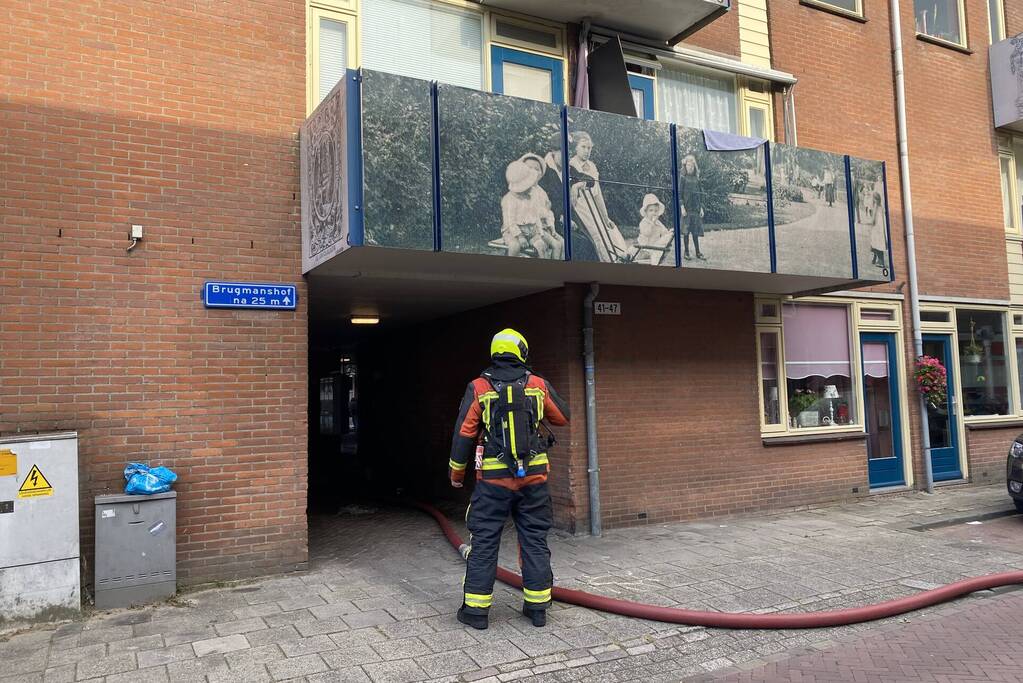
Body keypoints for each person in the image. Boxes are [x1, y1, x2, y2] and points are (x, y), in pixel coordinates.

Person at [449, 329, 570, 631]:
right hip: (534, 479)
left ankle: (476, 612)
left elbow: (464, 433)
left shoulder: (478, 387)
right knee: (534, 539)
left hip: (493, 482)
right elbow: (562, 417)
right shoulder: (538, 385)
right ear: (522, 351)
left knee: (485, 542)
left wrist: (456, 473)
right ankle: (538, 607)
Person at [568, 131, 628, 262]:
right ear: (575, 148)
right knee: (597, 234)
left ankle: (620, 259)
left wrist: (605, 217)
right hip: (579, 207)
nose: (586, 151)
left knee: (609, 229)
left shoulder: (592, 166)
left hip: (592, 206)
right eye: (583, 147)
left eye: (589, 148)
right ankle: (607, 262)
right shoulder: (571, 165)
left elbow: (597, 194)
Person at [500, 159, 560, 258]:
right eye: (527, 185)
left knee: (541, 245)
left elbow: (536, 215)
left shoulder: (532, 195)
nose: (530, 188)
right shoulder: (509, 200)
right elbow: (510, 222)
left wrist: (539, 232)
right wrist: (520, 236)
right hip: (513, 232)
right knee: (515, 246)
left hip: (531, 230)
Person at [679, 154, 706, 260]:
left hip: (695, 209)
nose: (690, 168)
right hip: (687, 209)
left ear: (694, 167)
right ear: (685, 167)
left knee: (695, 231)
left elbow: (700, 194)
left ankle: (698, 252)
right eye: (688, 166)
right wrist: (682, 207)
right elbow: (680, 194)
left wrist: (701, 208)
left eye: (692, 166)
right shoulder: (683, 178)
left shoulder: (696, 179)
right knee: (686, 231)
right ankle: (686, 252)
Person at [635, 193, 672, 265]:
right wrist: (652, 224)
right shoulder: (643, 222)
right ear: (646, 212)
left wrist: (669, 232)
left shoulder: (658, 223)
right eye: (651, 210)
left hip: (654, 248)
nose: (654, 213)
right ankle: (627, 256)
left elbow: (664, 232)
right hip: (644, 247)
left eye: (656, 211)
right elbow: (646, 233)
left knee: (654, 252)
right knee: (633, 251)